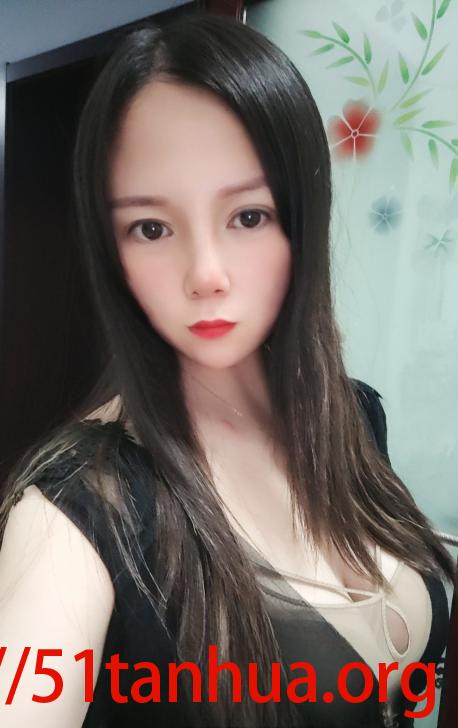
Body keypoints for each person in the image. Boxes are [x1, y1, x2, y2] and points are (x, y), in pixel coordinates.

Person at [0, 12, 454, 728]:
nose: (205, 274)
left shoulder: (355, 415)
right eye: (152, 228)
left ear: (302, 219)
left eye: (248, 216)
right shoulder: (81, 511)